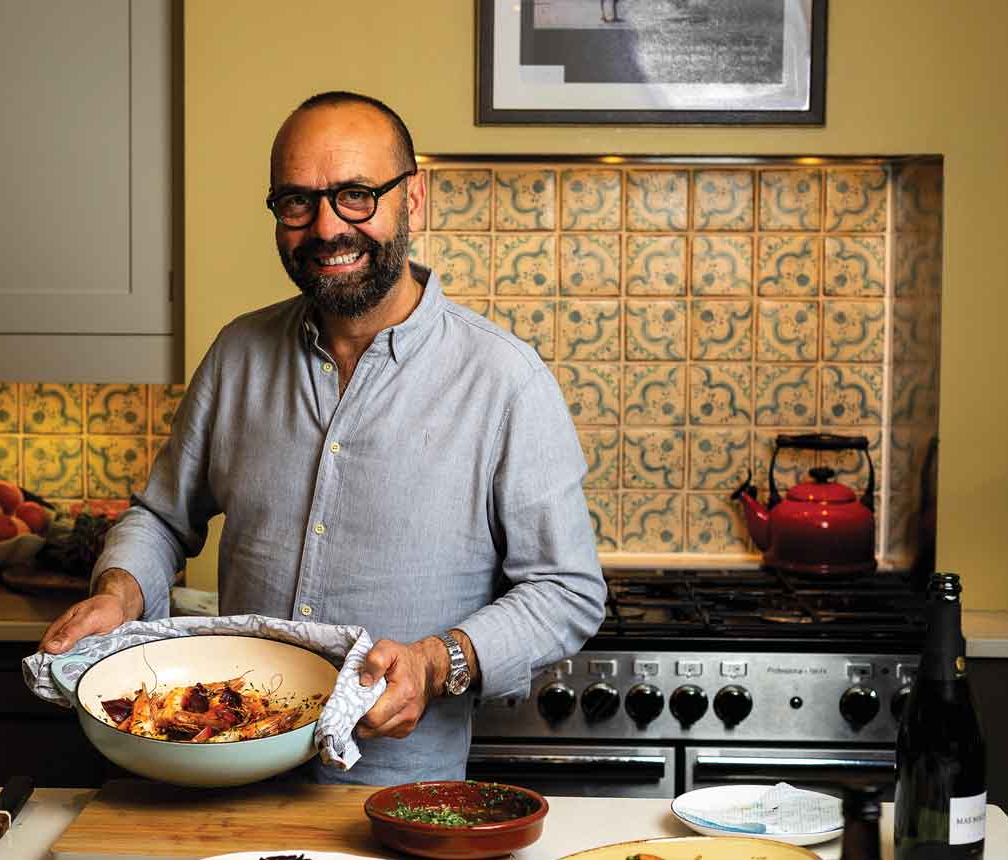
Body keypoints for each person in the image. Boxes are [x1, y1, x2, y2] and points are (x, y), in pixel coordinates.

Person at [40, 91, 607, 786]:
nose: (327, 227)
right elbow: (162, 517)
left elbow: (565, 590)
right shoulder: (238, 353)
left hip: (396, 795)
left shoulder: (505, 381)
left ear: (413, 198)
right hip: (221, 779)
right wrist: (121, 593)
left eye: (356, 195)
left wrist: (437, 662)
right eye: (297, 202)